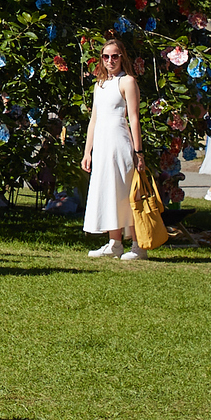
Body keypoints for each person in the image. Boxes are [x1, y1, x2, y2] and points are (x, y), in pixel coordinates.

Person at [80, 38, 144, 260]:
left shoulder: (127, 81)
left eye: (115, 56)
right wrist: (87, 151)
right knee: (108, 191)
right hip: (102, 144)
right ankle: (114, 243)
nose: (110, 60)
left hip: (120, 142)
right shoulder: (100, 85)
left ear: (122, 57)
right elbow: (94, 120)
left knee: (126, 193)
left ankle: (138, 245)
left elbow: (134, 118)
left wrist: (138, 152)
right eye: (106, 56)